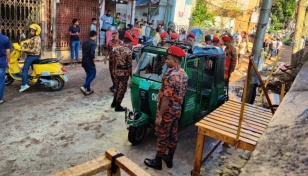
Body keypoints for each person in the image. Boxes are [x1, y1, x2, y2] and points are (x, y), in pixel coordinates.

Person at [144, 46, 188, 170]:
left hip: (167, 111)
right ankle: (169, 158)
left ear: (174, 61)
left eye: (168, 59)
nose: (165, 61)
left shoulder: (171, 76)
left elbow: (166, 98)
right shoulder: (183, 74)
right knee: (173, 134)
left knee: (162, 136)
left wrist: (159, 116)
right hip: (177, 110)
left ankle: (158, 161)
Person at [111, 38, 133, 111]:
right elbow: (129, 66)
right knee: (122, 89)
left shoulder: (116, 49)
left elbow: (113, 60)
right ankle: (118, 105)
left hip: (117, 70)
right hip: (124, 72)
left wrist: (113, 70)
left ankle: (114, 102)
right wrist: (131, 76)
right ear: (129, 43)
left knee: (117, 87)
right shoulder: (129, 52)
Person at [19, 24, 41, 92]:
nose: (31, 32)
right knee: (35, 69)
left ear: (36, 32)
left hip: (32, 56)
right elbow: (29, 45)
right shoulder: (34, 38)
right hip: (34, 56)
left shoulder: (36, 39)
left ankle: (25, 84)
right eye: (31, 31)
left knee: (24, 69)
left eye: (32, 31)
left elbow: (34, 50)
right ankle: (38, 81)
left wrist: (24, 50)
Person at [80, 31, 97, 96]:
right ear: (95, 36)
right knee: (93, 74)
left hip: (84, 60)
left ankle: (88, 89)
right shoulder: (93, 43)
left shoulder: (84, 42)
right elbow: (92, 54)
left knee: (88, 74)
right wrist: (94, 62)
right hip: (89, 61)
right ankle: (84, 86)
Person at [0, 21, 11, 104]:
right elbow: (8, 52)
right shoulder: (5, 39)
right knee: (1, 81)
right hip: (2, 63)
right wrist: (8, 63)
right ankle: (0, 99)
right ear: (1, 27)